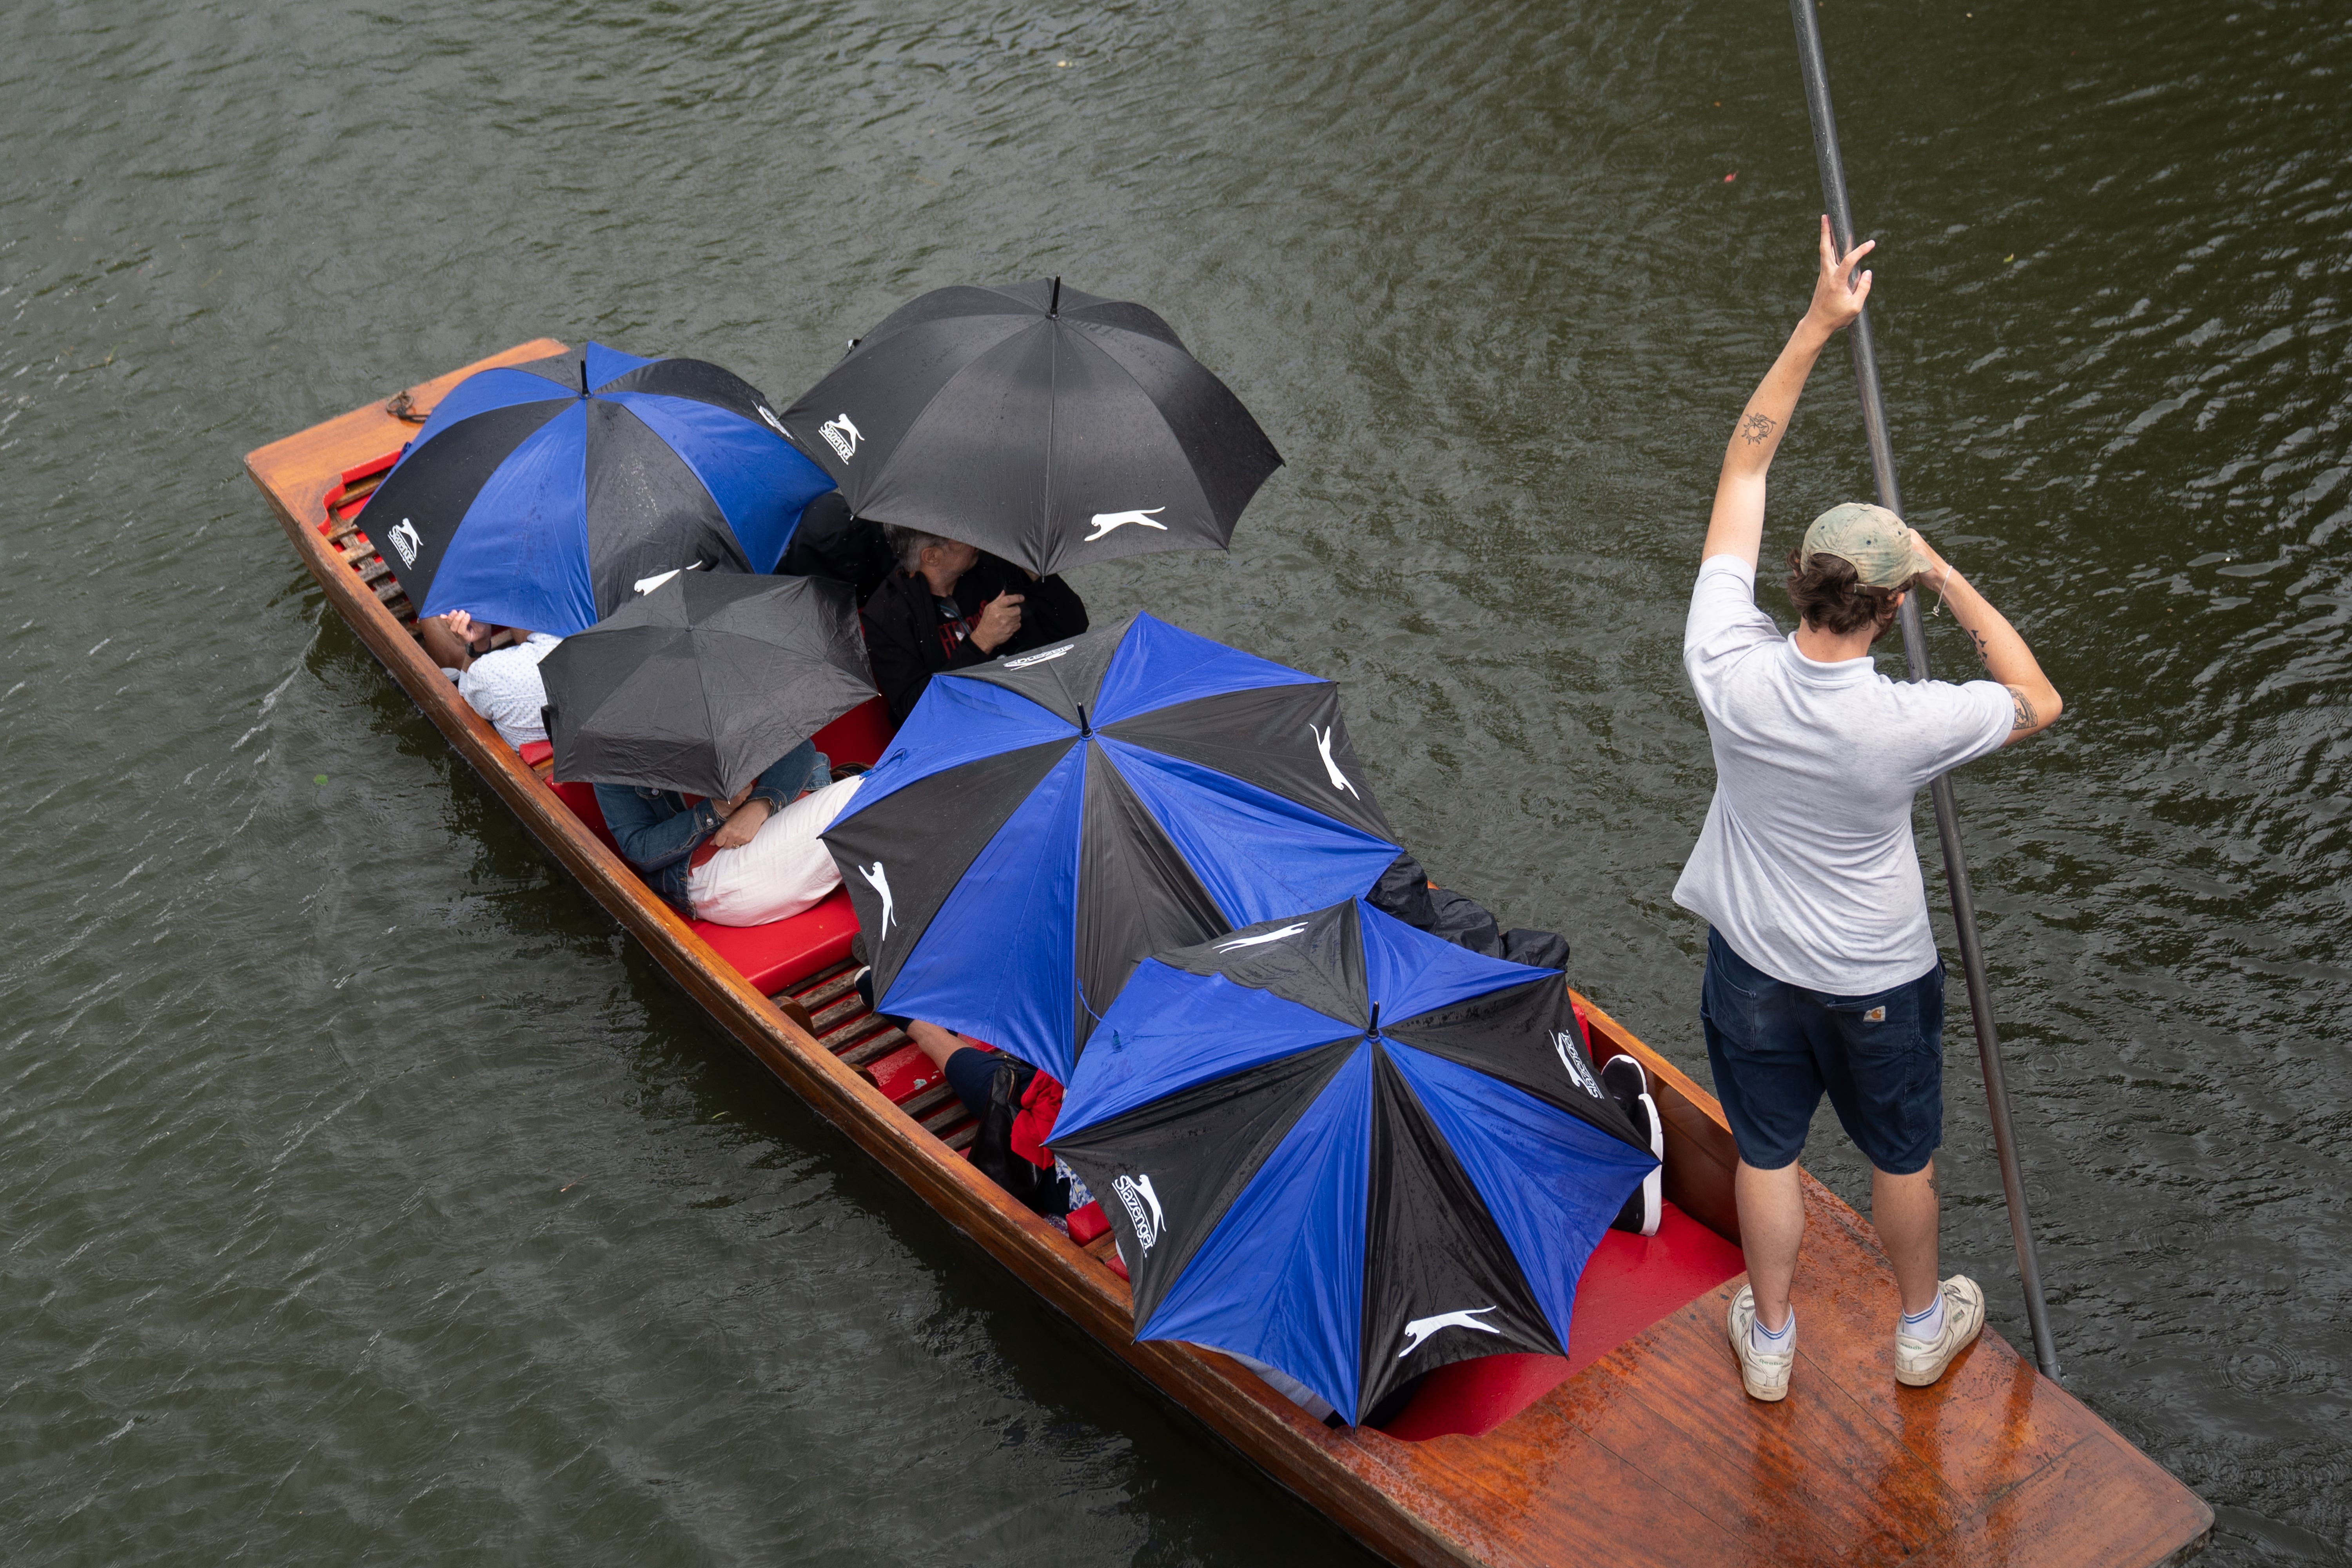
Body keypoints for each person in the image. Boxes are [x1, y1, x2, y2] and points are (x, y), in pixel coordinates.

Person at [1680, 218, 2063, 1404]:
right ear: (1887, 605)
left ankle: (1774, 1341)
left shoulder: (1723, 665)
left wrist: (1814, 323)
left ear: (1794, 579)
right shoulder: (1909, 722)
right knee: (1901, 1153)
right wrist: (1946, 579)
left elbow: (1743, 466)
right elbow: (2033, 697)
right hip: (1876, 975)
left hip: (1751, 966)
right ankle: (1914, 1326)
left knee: (1766, 1151)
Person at [594, 741, 861, 926]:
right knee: (867, 792)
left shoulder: (719, 696)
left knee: (880, 803)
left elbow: (799, 747)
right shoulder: (611, 755)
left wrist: (761, 806)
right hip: (715, 875)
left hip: (782, 825)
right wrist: (715, 810)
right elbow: (640, 849)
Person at [860, 526, 1089, 724]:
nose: (974, 538)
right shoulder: (886, 617)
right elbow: (917, 712)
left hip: (1033, 700)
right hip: (967, 731)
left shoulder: (991, 566)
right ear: (931, 556)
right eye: (960, 536)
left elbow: (1074, 627)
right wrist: (981, 643)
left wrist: (1037, 575)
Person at [419, 610, 562, 749]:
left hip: (516, 741)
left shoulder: (492, 674)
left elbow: (465, 698)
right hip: (570, 739)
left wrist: (479, 644)